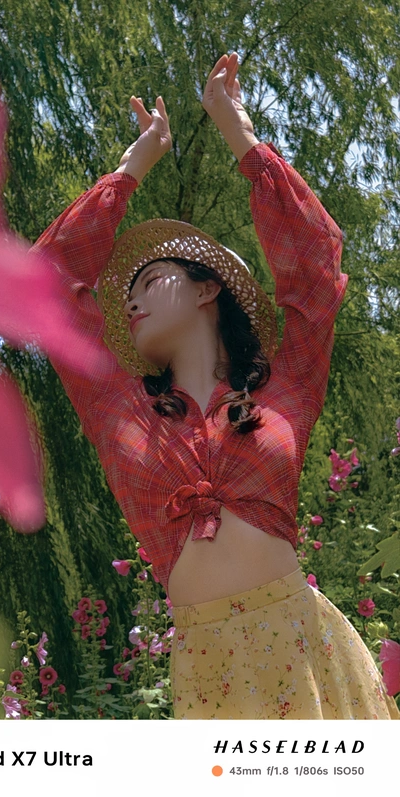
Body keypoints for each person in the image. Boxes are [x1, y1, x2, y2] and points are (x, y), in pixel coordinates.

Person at [31, 52, 399, 719]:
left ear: (208, 290)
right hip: (207, 672)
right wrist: (133, 165)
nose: (132, 301)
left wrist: (239, 133)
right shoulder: (122, 409)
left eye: (151, 281)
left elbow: (315, 266)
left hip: (307, 651)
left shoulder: (284, 388)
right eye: (129, 292)